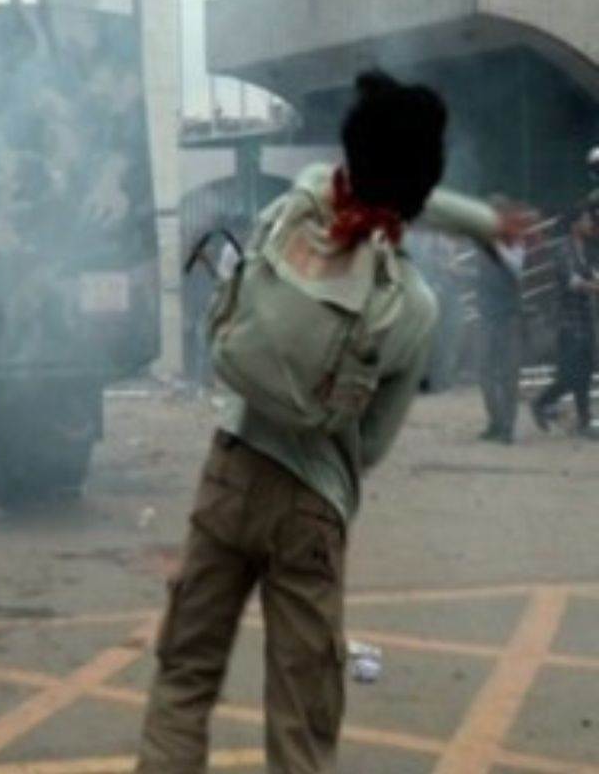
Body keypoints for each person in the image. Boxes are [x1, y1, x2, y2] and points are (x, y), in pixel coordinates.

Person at [135, 71, 519, 773]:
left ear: (352, 153)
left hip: (231, 470)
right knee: (302, 718)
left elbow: (382, 189)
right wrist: (487, 224)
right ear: (420, 181)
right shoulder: (412, 306)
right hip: (312, 508)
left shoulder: (302, 200)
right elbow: (368, 446)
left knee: (184, 679)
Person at [530, 205, 599, 438]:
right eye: (587, 219)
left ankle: (583, 420)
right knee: (571, 373)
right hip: (569, 322)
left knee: (586, 371)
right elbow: (573, 282)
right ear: (574, 225)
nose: (591, 223)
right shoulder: (564, 250)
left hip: (583, 320)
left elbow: (590, 277)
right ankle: (541, 402)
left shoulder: (584, 250)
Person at [477, 234, 526, 444]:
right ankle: (496, 420)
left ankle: (508, 426)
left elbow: (516, 267)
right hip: (488, 315)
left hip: (509, 316)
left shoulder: (514, 242)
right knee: (484, 370)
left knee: (509, 373)